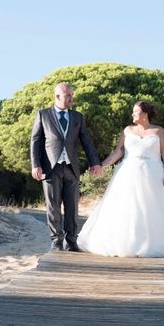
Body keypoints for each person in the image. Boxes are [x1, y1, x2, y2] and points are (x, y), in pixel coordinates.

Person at [77, 101, 164, 267]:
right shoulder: (127, 130)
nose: (132, 115)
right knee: (126, 209)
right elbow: (118, 152)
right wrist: (101, 165)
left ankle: (150, 245)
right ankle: (127, 244)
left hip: (152, 174)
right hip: (127, 173)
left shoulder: (159, 132)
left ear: (145, 114)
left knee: (151, 209)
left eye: (136, 112)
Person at [30, 83, 102, 251]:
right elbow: (35, 141)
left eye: (72, 95)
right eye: (68, 96)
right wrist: (36, 164)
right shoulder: (43, 115)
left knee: (72, 206)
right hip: (50, 168)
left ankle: (71, 240)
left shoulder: (77, 117)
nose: (71, 99)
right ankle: (56, 240)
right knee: (53, 205)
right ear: (57, 97)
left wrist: (95, 162)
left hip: (71, 168)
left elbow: (86, 141)